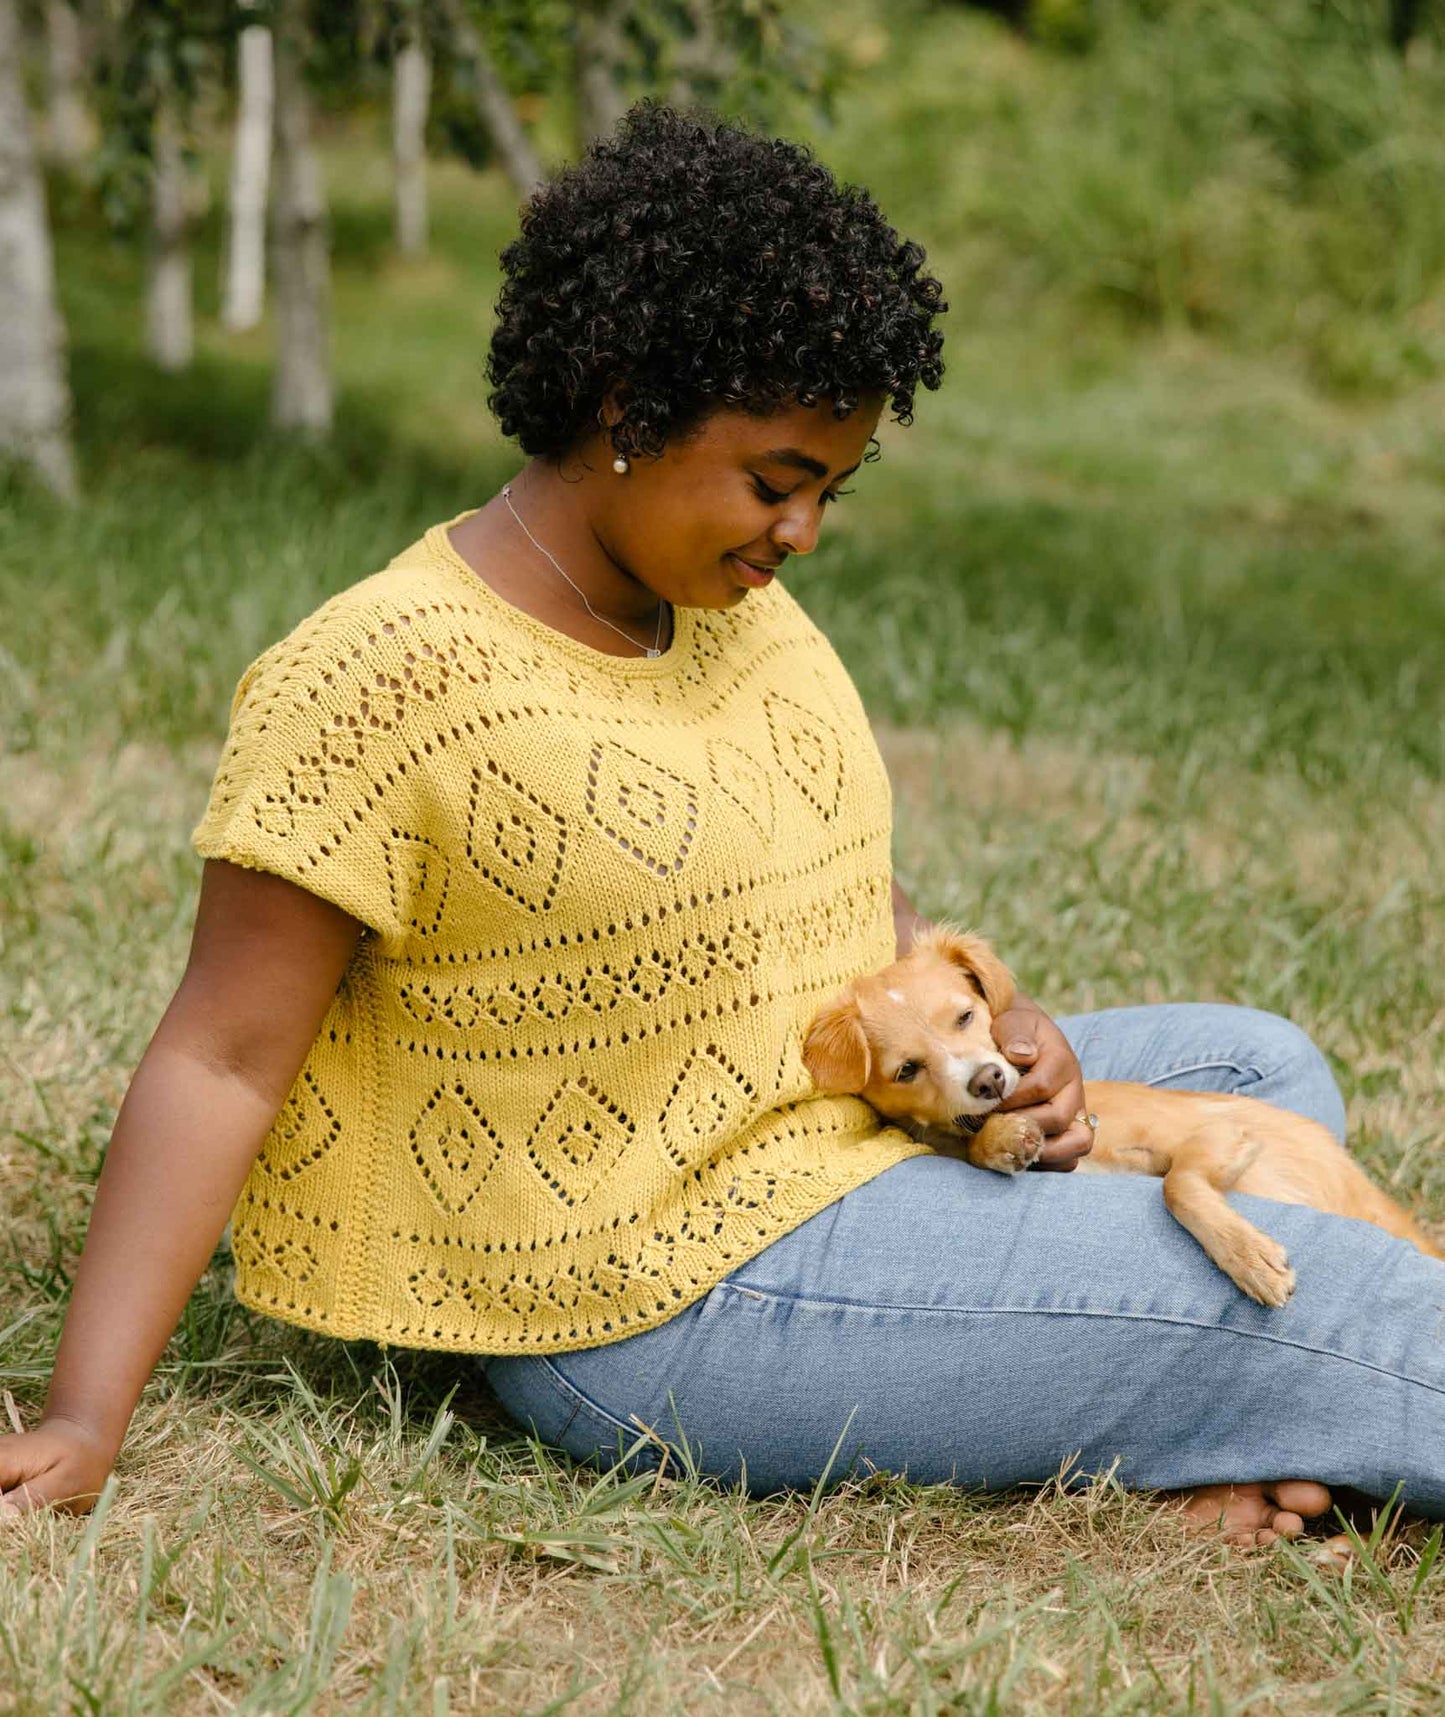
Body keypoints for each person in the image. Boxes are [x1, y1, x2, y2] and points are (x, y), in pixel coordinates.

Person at [3, 105, 1442, 1544]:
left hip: (836, 1129)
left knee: (1259, 1066)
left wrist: (1008, 1028)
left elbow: (838, 895)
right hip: (649, 1286)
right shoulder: (385, 678)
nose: (803, 531)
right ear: (627, 409)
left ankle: (1189, 1409)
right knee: (1324, 1286)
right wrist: (83, 1415)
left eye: (831, 486)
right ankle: (1264, 1378)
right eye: (778, 479)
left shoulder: (725, 615)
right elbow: (219, 1053)